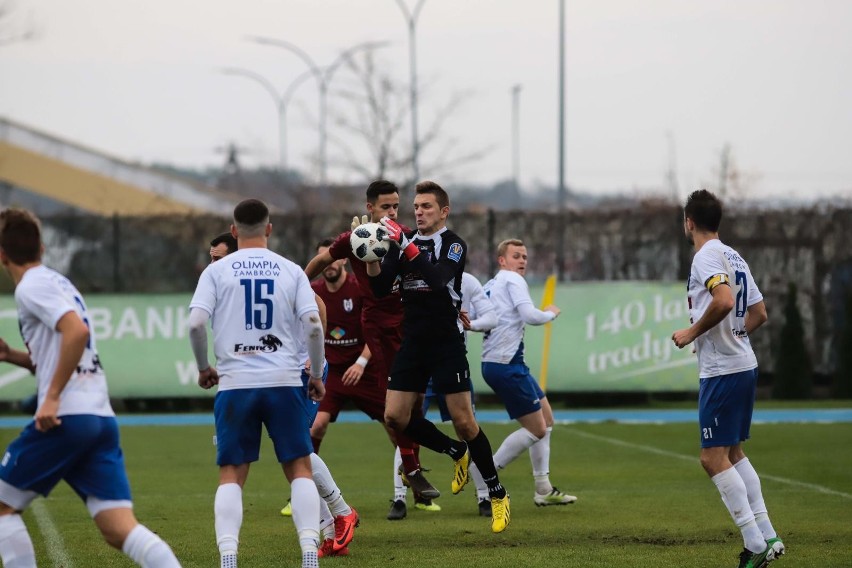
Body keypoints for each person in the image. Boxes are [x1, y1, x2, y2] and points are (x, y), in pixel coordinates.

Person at [0, 208, 182, 568]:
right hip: (98, 418)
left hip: (66, 417)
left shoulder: (31, 286)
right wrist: (12, 356)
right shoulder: (57, 282)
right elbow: (62, 351)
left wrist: (49, 398)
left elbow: (77, 333)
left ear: (2, 255)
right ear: (43, 246)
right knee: (118, 528)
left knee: (2, 508)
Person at [366, 180, 511, 533]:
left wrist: (404, 245)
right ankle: (455, 452)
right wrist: (370, 253)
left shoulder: (454, 244)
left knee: (465, 423)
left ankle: (496, 494)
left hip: (446, 341)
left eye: (426, 207)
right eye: (416, 207)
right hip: (413, 341)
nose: (418, 212)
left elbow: (438, 278)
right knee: (395, 417)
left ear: (443, 211)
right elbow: (381, 287)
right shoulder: (403, 245)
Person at [189, 199, 326, 568]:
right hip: (283, 381)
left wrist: (204, 367)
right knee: (299, 467)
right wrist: (315, 375)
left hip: (236, 384)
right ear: (269, 228)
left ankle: (229, 556)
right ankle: (310, 551)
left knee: (231, 473)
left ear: (234, 232)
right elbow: (313, 325)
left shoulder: (216, 272)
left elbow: (195, 324)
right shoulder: (291, 270)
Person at [205, 232, 359, 559]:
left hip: (291, 374)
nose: (214, 264)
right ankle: (332, 529)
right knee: (293, 455)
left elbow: (316, 309)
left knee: (296, 452)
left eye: (219, 258)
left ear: (236, 255)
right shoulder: (228, 280)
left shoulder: (276, 273)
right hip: (258, 378)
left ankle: (340, 511)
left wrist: (309, 357)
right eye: (212, 259)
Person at [304, 180, 438, 520]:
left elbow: (427, 269)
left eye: (396, 206)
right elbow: (321, 261)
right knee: (398, 402)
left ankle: (413, 466)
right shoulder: (353, 240)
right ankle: (412, 470)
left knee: (416, 402)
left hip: (410, 323)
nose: (392, 212)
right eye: (385, 207)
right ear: (370, 208)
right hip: (379, 328)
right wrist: (298, 286)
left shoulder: (404, 235)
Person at [671, 189, 783, 568]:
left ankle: (754, 543)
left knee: (711, 457)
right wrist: (735, 337)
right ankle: (768, 534)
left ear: (689, 222)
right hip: (744, 365)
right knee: (733, 454)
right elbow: (760, 313)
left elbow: (721, 300)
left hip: (723, 372)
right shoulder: (734, 255)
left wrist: (692, 333)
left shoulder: (705, 256)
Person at [477, 239, 577, 514]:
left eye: (524, 256)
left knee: (547, 419)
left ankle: (543, 488)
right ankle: (483, 475)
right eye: (516, 256)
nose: (522, 261)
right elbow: (530, 316)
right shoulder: (512, 280)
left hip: (504, 363)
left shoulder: (492, 284)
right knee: (538, 429)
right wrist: (550, 313)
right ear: (502, 261)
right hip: (506, 365)